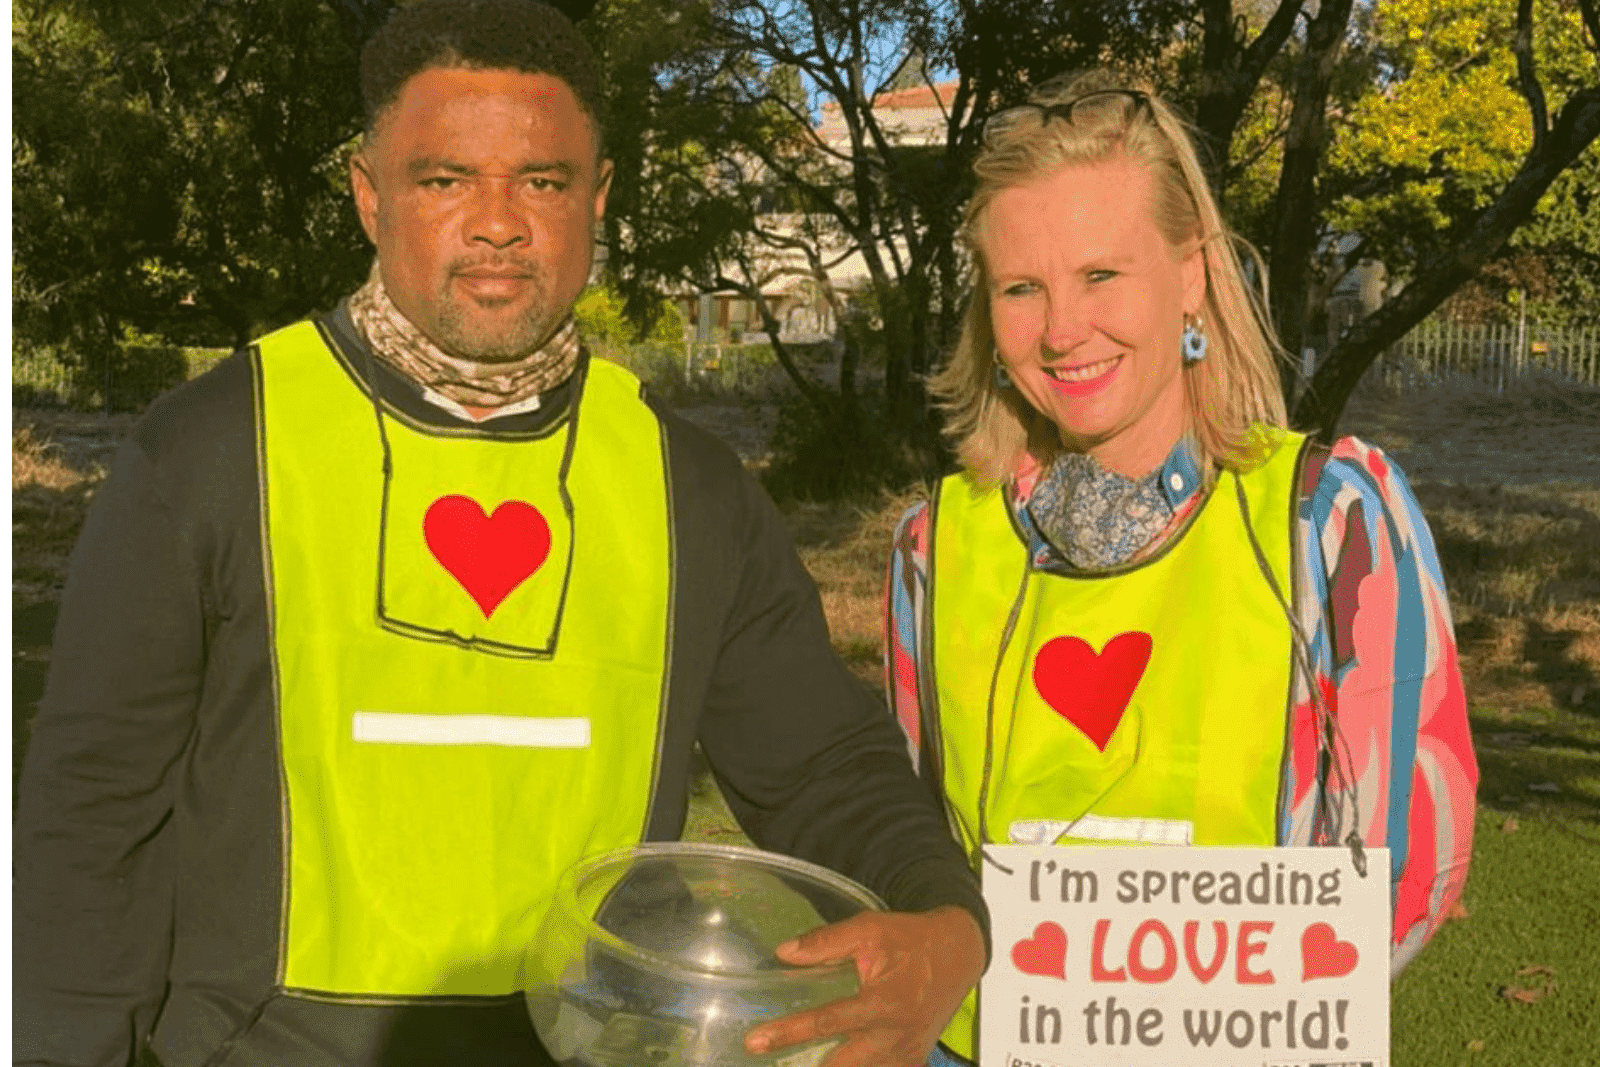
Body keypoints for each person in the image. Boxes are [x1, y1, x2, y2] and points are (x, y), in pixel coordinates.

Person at [12, 3, 986, 1065]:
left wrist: (945, 915)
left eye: (542, 180)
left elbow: (821, 765)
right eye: (444, 179)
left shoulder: (687, 486)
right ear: (368, 194)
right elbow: (89, 818)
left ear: (598, 198)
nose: (497, 221)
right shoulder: (205, 451)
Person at [881, 70, 1479, 1066]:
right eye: (1021, 287)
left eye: (1101, 275)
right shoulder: (932, 548)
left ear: (1192, 274)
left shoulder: (1330, 523)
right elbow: (911, 844)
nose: (1062, 328)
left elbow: (1407, 867)